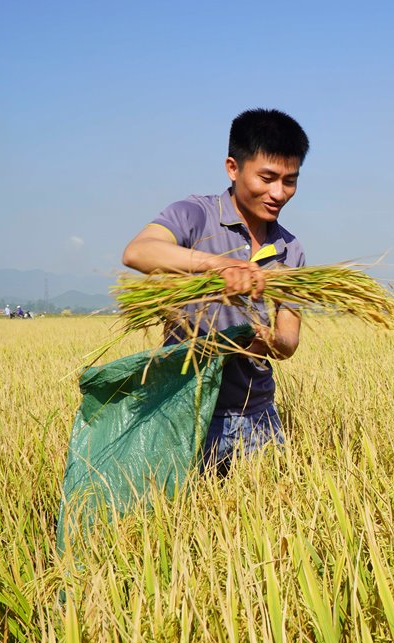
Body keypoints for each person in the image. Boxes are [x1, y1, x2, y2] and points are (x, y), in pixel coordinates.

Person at [122, 109, 309, 475]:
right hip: (186, 413)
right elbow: (138, 252)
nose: (278, 193)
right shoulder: (195, 215)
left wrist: (257, 340)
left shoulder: (291, 249)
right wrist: (218, 265)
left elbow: (288, 342)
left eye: (290, 181)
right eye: (267, 178)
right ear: (232, 168)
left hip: (256, 418)